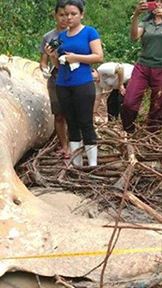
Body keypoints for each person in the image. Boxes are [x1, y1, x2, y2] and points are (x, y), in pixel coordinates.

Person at [46, 0, 103, 167]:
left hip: (83, 82)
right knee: (71, 122)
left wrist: (76, 57)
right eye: (66, 14)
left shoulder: (89, 33)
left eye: (73, 14)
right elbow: (58, 65)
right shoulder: (62, 37)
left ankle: (92, 163)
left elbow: (98, 56)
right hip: (63, 83)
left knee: (85, 121)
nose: (69, 18)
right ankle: (76, 162)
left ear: (81, 14)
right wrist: (52, 55)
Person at [121, 0, 162, 133]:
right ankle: (128, 131)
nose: (159, 4)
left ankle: (151, 136)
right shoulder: (146, 22)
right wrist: (136, 15)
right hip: (143, 67)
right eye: (156, 1)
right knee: (129, 102)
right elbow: (134, 37)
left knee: (157, 105)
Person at [39, 0, 69, 158]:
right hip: (56, 78)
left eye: (68, 15)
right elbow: (43, 62)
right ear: (55, 15)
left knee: (74, 113)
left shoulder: (76, 34)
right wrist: (45, 69)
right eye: (61, 15)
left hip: (73, 77)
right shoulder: (48, 37)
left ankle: (74, 144)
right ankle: (64, 146)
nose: (65, 19)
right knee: (59, 114)